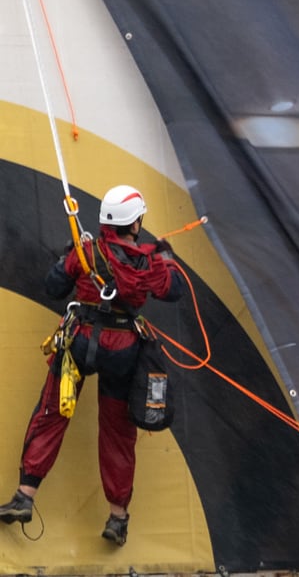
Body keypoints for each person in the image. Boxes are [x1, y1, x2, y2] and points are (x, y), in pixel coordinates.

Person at [0, 185, 181, 545]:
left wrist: (69, 257)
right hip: (125, 350)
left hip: (80, 341)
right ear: (134, 223)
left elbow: (54, 287)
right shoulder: (147, 260)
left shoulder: (86, 252)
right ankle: (118, 518)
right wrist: (167, 257)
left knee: (52, 412)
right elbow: (172, 290)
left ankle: (25, 495)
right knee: (117, 432)